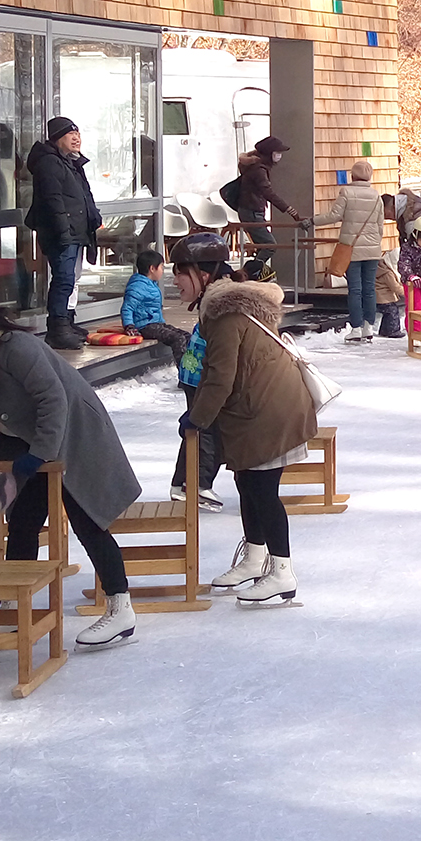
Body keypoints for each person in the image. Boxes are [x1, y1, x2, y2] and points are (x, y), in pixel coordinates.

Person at [0, 277, 142, 648]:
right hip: (32, 444)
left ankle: (121, 608)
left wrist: (39, 454)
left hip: (71, 437)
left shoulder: (15, 347)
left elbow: (53, 399)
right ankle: (12, 602)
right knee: (22, 523)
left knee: (88, 521)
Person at [170, 234, 314, 606]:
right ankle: (254, 558)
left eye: (181, 273)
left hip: (269, 411)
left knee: (263, 491)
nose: (175, 281)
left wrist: (195, 420)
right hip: (258, 409)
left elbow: (221, 377)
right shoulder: (223, 310)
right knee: (247, 484)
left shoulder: (225, 316)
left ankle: (282, 572)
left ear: (203, 275)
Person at [26, 116, 102, 350]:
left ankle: (67, 321)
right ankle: (57, 329)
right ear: (58, 138)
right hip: (62, 233)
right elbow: (53, 201)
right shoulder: (49, 163)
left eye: (78, 134)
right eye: (71, 134)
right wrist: (63, 231)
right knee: (63, 279)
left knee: (73, 279)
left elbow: (84, 194)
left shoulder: (71, 162)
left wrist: (94, 218)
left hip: (77, 230)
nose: (76, 138)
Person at [308, 161, 386, 342]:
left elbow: (334, 216)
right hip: (373, 249)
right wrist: (375, 242)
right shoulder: (376, 196)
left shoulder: (347, 192)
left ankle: (356, 328)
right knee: (369, 289)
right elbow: (380, 225)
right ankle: (369, 327)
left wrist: (313, 221)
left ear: (353, 175)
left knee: (355, 289)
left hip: (351, 248)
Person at [225, 137, 302, 278]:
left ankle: (253, 271)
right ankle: (250, 272)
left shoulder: (253, 166)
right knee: (269, 245)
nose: (280, 156)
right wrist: (289, 209)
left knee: (265, 245)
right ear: (269, 153)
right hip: (252, 211)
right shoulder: (259, 170)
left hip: (250, 210)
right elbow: (268, 192)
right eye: (277, 152)